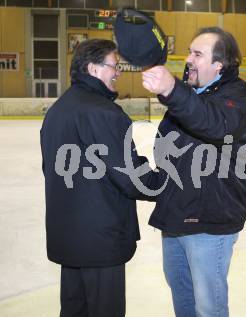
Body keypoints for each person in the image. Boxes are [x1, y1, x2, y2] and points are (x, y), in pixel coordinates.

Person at [40, 39, 162, 316]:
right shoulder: (104, 113)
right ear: (93, 68)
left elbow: (51, 170)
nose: (118, 71)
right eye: (113, 65)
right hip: (100, 239)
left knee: (74, 309)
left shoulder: (58, 110)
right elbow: (130, 176)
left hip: (68, 236)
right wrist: (163, 182)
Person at [142, 27, 246, 317]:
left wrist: (171, 90)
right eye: (189, 51)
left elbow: (213, 123)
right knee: (182, 296)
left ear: (219, 65)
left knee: (208, 306)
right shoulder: (189, 96)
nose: (188, 59)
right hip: (176, 216)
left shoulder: (235, 96)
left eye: (197, 54)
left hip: (209, 220)